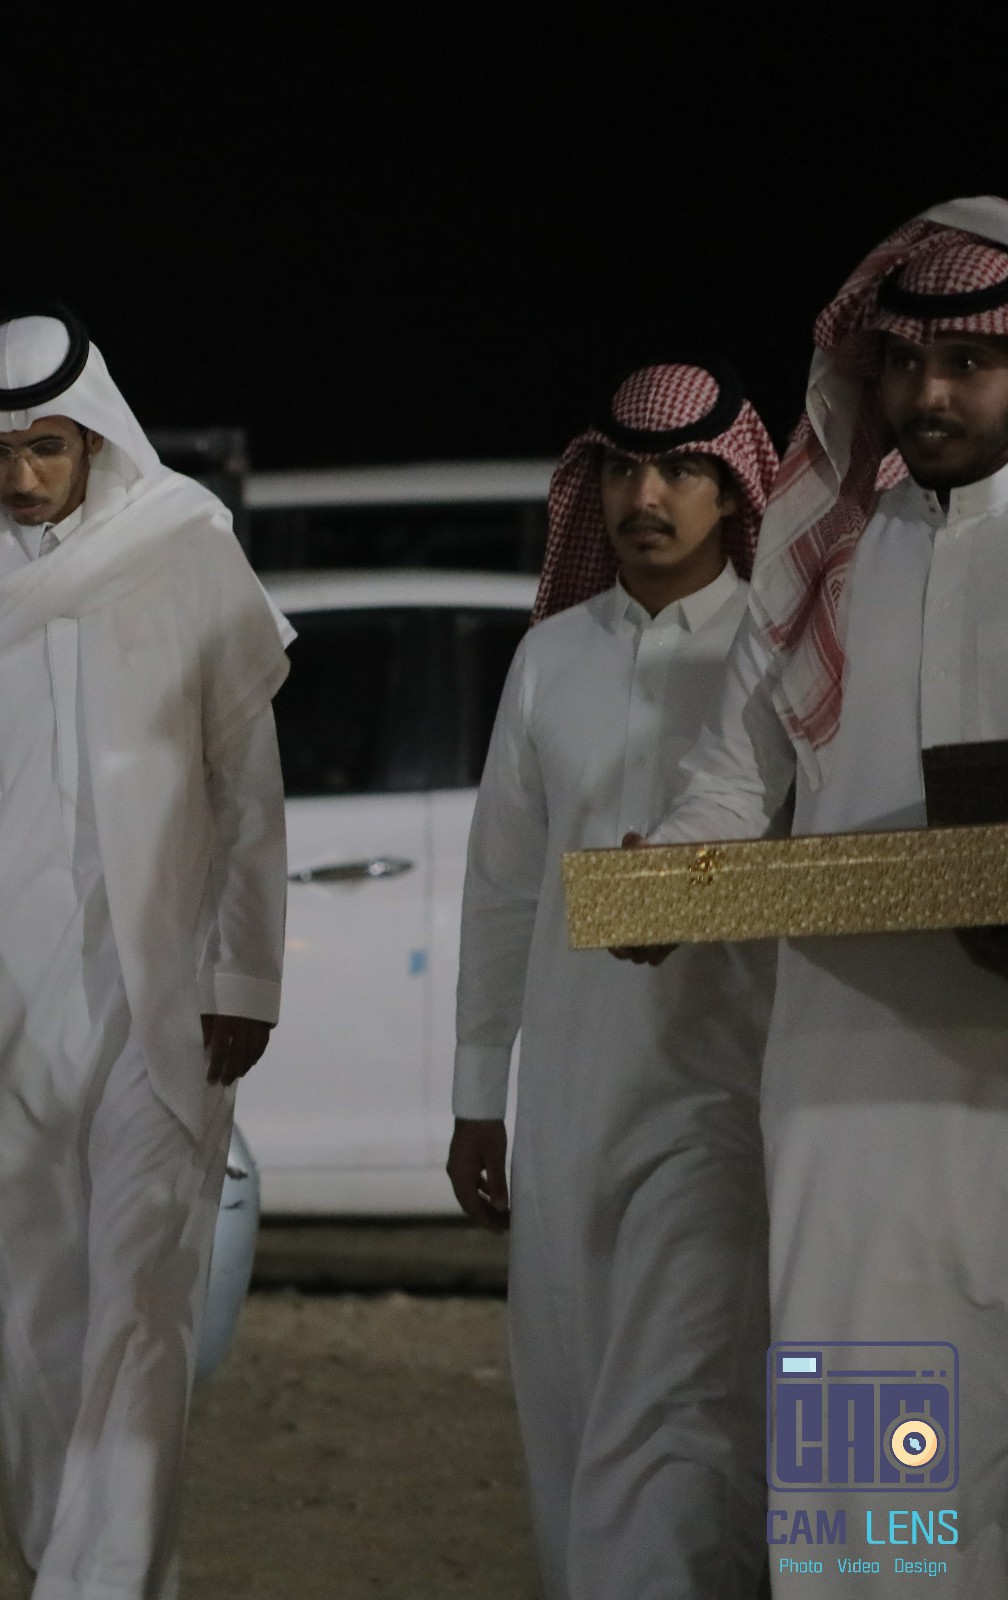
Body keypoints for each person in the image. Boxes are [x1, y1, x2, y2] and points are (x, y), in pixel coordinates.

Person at [0, 309, 290, 1597]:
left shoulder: (185, 548)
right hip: (8, 994)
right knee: (32, 1307)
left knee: (143, 1303)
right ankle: (79, 1567)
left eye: (45, 447)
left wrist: (247, 971)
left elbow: (247, 786)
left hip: (166, 989)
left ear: (95, 438)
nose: (19, 476)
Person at [647, 197, 1008, 1593]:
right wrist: (671, 874)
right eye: (904, 363)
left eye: (969, 361)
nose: (929, 394)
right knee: (866, 1414)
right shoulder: (830, 555)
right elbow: (733, 778)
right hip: (853, 1075)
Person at [451, 361, 780, 1598]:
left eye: (683, 471)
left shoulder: (782, 647)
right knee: (575, 1392)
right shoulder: (550, 655)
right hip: (569, 1096)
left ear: (732, 489)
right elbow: (502, 889)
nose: (649, 498)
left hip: (719, 1086)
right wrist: (478, 1097)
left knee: (673, 1395)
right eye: (627, 471)